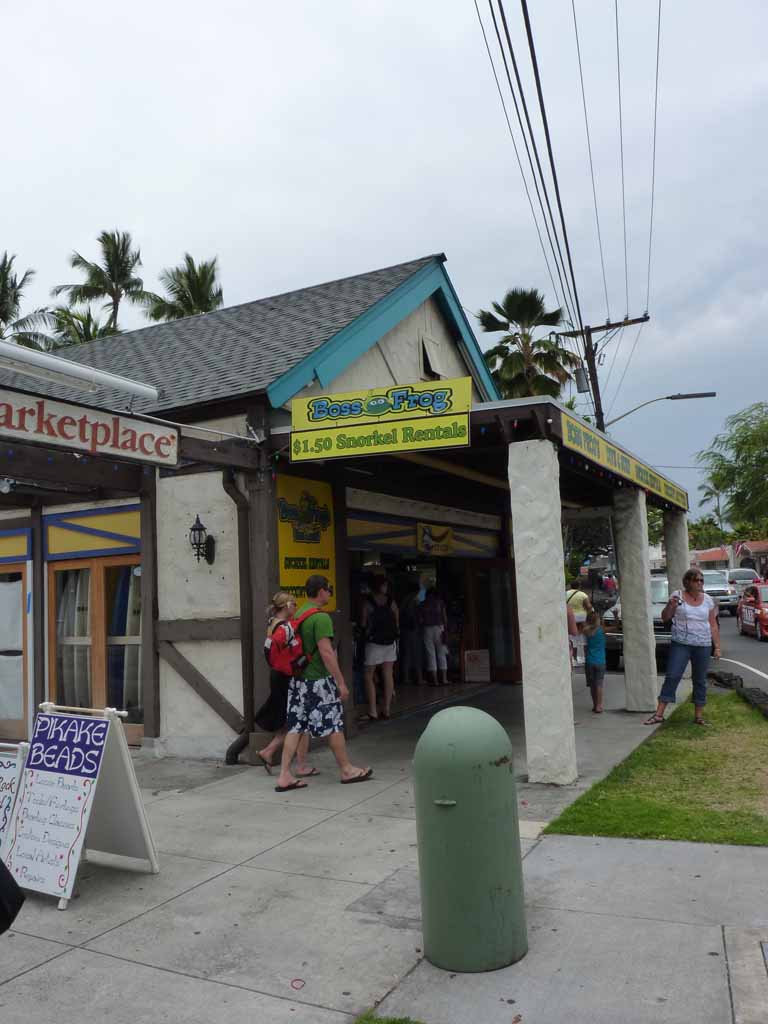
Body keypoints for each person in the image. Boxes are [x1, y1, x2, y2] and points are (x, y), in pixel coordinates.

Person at [275, 575, 373, 792]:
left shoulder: (298, 613)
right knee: (334, 724)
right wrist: (341, 682)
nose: (330, 592)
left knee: (296, 726)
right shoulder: (321, 618)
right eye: (329, 589)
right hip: (318, 681)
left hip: (298, 681)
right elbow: (327, 653)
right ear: (320, 591)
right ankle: (346, 769)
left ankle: (284, 775)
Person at [644, 568, 721, 727]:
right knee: (672, 675)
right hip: (681, 644)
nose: (699, 583)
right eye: (696, 580)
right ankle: (659, 714)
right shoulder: (677, 596)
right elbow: (665, 617)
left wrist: (717, 646)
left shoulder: (707, 600)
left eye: (701, 580)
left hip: (703, 645)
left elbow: (713, 625)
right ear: (687, 582)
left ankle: (698, 716)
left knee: (700, 680)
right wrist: (671, 606)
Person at [254, 592, 314, 777]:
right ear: (287, 606)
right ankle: (301, 764)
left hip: (278, 674)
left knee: (293, 719)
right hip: (287, 675)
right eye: (294, 604)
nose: (296, 607)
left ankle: (269, 751)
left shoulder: (272, 623)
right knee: (299, 719)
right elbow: (291, 646)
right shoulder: (285, 627)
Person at [361, 576, 399, 720]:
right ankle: (387, 709)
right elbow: (397, 621)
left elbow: (363, 623)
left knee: (368, 675)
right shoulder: (391, 602)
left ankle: (372, 711)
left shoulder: (368, 603)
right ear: (383, 586)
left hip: (374, 643)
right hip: (390, 642)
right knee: (388, 673)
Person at [419, 586, 448, 686]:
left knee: (430, 653)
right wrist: (446, 630)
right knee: (441, 653)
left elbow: (420, 619)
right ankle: (444, 679)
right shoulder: (440, 603)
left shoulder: (422, 604)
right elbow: (444, 617)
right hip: (439, 628)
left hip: (427, 629)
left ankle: (435, 681)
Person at [398, 580, 424, 686]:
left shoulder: (404, 600)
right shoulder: (413, 600)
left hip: (405, 630)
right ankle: (419, 678)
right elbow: (412, 614)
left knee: (406, 654)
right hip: (412, 629)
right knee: (416, 654)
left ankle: (406, 677)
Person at [582, 610, 606, 713]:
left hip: (589, 661)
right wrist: (616, 617)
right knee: (599, 684)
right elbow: (615, 627)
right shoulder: (602, 630)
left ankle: (594, 704)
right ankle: (599, 706)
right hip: (600, 662)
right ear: (598, 620)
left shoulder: (586, 631)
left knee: (592, 685)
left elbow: (585, 626)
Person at [566, 578, 593, 664]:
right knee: (584, 638)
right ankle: (585, 657)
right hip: (582, 618)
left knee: (572, 638)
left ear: (571, 586)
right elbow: (588, 607)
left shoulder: (566, 593)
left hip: (570, 617)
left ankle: (574, 659)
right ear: (579, 586)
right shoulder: (583, 594)